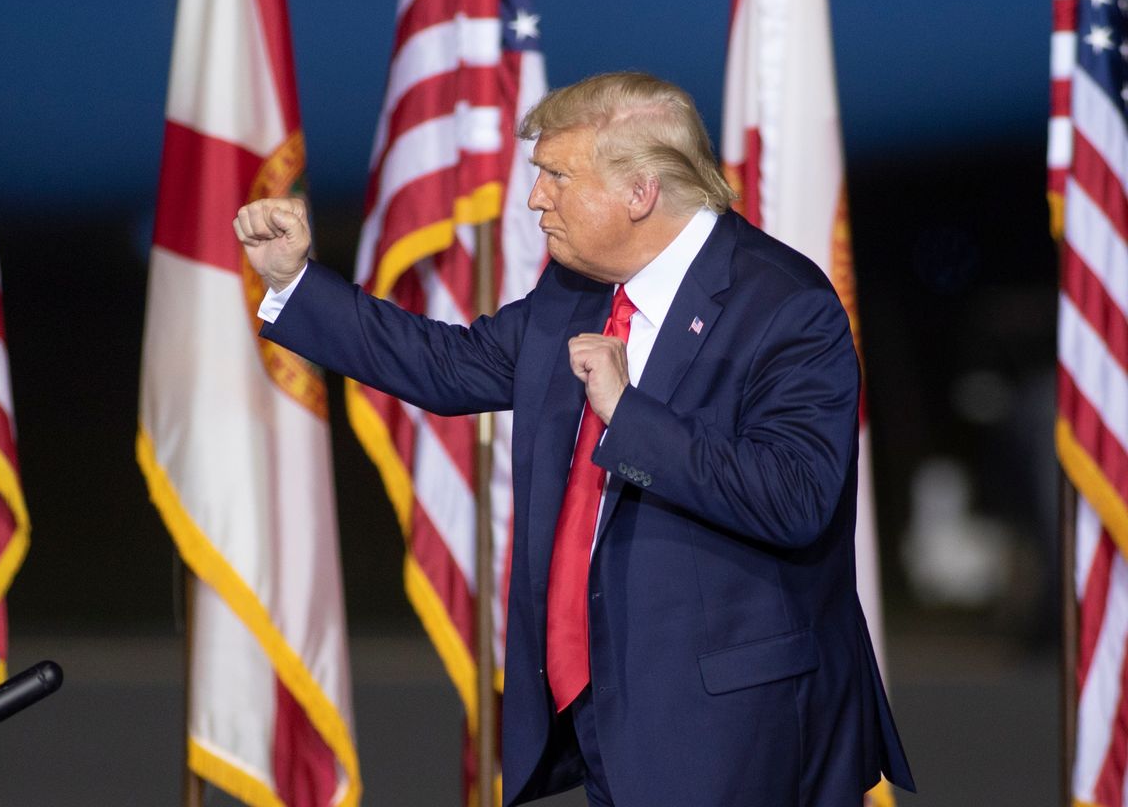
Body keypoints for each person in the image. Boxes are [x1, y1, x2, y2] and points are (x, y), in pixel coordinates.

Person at [233, 72, 914, 806]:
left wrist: (630, 414)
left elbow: (794, 497)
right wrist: (295, 281)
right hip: (608, 711)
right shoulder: (576, 293)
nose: (535, 199)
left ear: (640, 192)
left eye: (557, 176)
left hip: (740, 727)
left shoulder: (784, 305)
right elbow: (446, 366)